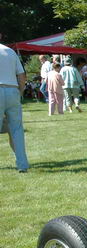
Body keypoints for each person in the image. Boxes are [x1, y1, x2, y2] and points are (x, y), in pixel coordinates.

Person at [0, 33, 29, 172]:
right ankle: (22, 164)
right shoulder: (10, 51)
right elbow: (22, 76)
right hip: (12, 90)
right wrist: (20, 92)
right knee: (17, 130)